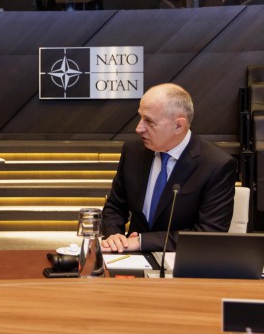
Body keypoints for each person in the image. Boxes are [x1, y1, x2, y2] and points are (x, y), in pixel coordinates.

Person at [101, 83, 236, 253]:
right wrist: (113, 235)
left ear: (179, 126)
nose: (138, 128)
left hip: (182, 265)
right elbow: (115, 206)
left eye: (149, 121)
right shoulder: (133, 151)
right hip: (129, 259)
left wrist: (142, 242)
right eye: (140, 117)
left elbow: (209, 234)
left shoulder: (216, 165)